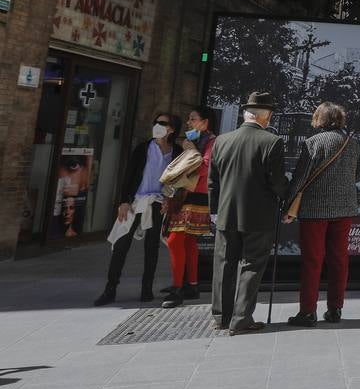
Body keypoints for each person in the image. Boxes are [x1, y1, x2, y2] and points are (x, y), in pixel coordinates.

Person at [209, 92, 289, 336]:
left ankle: (221, 316)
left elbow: (213, 182)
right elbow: (276, 182)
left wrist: (214, 211)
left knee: (224, 263)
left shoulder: (222, 140)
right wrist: (288, 194)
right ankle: (241, 318)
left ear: (246, 114)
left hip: (225, 213)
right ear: (267, 116)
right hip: (258, 215)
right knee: (252, 265)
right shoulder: (271, 141)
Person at [283, 102, 360, 327]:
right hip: (345, 208)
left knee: (312, 260)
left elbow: (300, 178)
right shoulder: (353, 143)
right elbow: (358, 175)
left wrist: (288, 207)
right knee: (339, 259)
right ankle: (335, 309)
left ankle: (308, 312)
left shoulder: (313, 143)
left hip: (314, 210)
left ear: (320, 119)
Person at [94, 112, 179, 306]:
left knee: (152, 248)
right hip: (135, 201)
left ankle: (146, 289)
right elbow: (129, 174)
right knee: (121, 244)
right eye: (156, 122)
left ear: (171, 129)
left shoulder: (176, 151)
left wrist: (170, 199)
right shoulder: (143, 148)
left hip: (157, 203)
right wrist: (124, 200)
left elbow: (178, 180)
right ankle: (110, 289)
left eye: (163, 123)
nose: (157, 125)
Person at [161, 109, 216, 308]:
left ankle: (177, 288)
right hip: (183, 193)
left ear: (205, 122)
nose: (189, 123)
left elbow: (205, 167)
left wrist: (191, 151)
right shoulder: (192, 142)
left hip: (197, 195)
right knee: (187, 241)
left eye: (193, 119)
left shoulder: (211, 142)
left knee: (176, 239)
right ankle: (191, 284)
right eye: (189, 118)